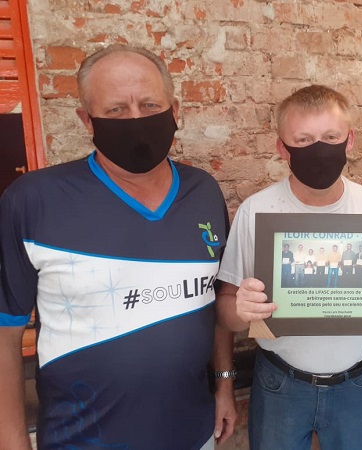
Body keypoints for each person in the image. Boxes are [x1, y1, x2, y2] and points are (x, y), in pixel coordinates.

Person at [0, 44, 237, 450]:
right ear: (86, 120)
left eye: (149, 105)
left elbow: (216, 301)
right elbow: (6, 333)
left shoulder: (203, 192)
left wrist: (225, 384)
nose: (136, 119)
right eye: (116, 110)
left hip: (195, 435)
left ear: (175, 110)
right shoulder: (32, 201)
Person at [215, 84, 362, 450]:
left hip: (354, 382)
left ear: (350, 140)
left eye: (331, 137)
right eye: (303, 140)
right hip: (281, 381)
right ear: (281, 148)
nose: (319, 149)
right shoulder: (256, 210)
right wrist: (241, 310)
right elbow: (225, 311)